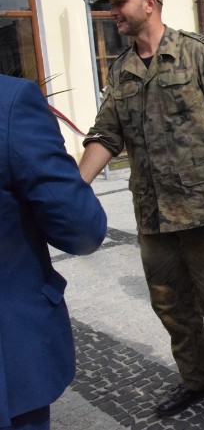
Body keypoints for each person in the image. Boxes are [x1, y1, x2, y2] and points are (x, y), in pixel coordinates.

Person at [77, 0, 204, 423]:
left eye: (121, 2)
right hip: (153, 215)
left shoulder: (199, 52)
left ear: (149, 3)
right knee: (170, 305)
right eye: (111, 4)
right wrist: (72, 187)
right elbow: (105, 135)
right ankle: (196, 379)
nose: (113, 11)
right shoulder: (121, 70)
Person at [0, 75, 107, 430]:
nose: (117, 14)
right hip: (11, 362)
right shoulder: (11, 101)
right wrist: (65, 189)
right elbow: (81, 229)